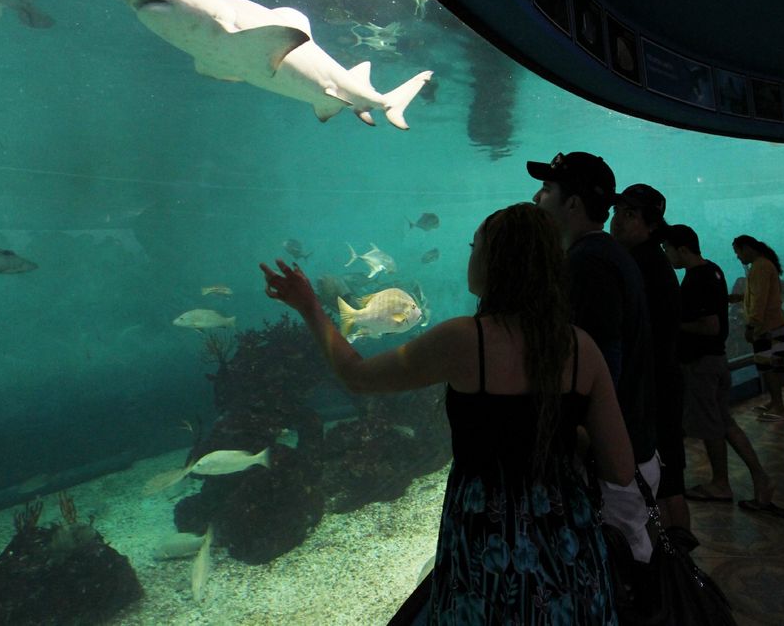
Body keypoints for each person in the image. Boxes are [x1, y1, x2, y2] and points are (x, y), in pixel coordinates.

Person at [261, 203, 634, 624]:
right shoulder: (581, 347)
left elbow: (357, 376)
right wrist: (567, 436)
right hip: (566, 535)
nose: (470, 255)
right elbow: (620, 468)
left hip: (483, 534)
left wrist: (310, 305)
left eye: (475, 246)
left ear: (495, 261)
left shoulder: (462, 340)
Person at [527, 151, 659, 562]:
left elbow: (602, 371)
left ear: (572, 204)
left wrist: (580, 441)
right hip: (625, 454)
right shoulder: (602, 255)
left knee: (618, 583)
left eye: (548, 189)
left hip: (613, 466)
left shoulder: (588, 264)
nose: (537, 197)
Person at [663, 225, 784, 518]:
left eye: (667, 250)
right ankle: (761, 477)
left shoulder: (696, 279)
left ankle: (720, 484)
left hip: (702, 365)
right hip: (717, 361)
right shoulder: (714, 270)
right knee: (725, 423)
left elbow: (710, 326)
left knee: (711, 426)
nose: (666, 256)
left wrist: (672, 324)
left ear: (682, 249)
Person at [609, 184, 688, 533]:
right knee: (668, 483)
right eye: (618, 212)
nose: (618, 220)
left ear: (651, 224)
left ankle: (672, 567)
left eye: (630, 214)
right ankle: (677, 563)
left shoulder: (639, 265)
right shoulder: (651, 261)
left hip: (654, 392)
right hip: (663, 387)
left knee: (662, 484)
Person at [730, 234, 784, 421]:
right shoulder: (765, 264)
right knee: (775, 365)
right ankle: (775, 402)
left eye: (738, 252)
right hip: (776, 324)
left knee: (767, 366)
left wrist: (751, 325)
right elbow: (761, 295)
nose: (738, 257)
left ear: (747, 248)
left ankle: (779, 408)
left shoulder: (759, 268)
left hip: (766, 328)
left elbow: (759, 300)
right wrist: (740, 298)